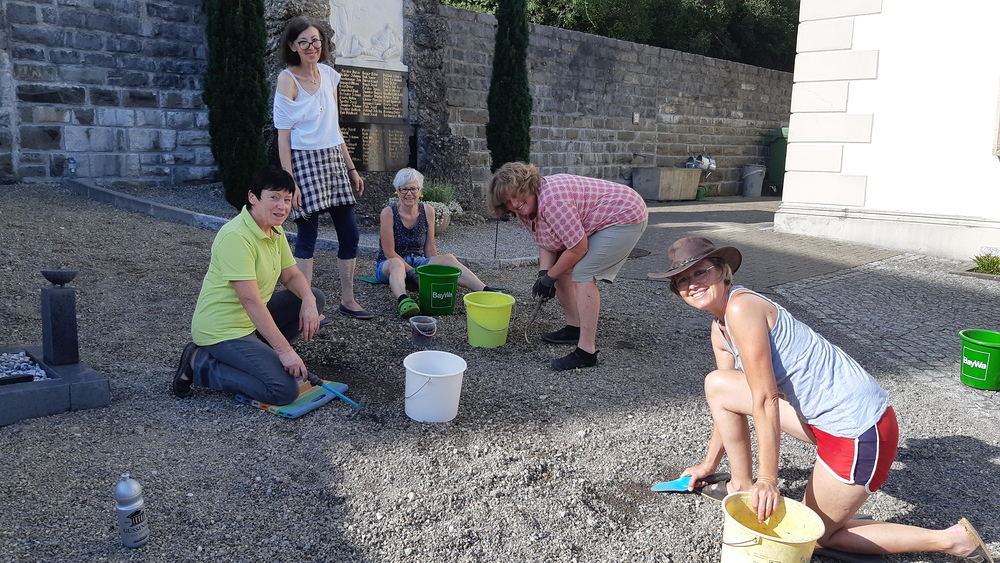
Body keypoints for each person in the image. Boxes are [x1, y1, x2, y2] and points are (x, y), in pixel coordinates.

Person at [650, 235, 994, 561]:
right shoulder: (720, 327)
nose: (692, 283)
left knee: (816, 537)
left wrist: (769, 480)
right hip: (823, 419)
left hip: (860, 431)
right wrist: (709, 465)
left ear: (723, 271)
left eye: (700, 272)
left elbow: (765, 398)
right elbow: (726, 400)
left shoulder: (741, 308)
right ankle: (740, 485)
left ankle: (951, 540)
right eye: (682, 280)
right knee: (718, 384)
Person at [172, 166, 325, 406]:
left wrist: (308, 301)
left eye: (287, 199)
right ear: (253, 197)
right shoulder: (236, 236)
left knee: (314, 295)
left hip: (250, 321)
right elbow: (250, 300)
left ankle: (258, 352)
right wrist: (284, 351)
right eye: (274, 197)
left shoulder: (274, 229)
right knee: (283, 391)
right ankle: (200, 362)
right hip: (222, 330)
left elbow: (291, 275)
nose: (282, 206)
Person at [487, 162, 648, 371]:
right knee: (561, 270)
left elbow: (578, 248)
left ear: (528, 186)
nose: (514, 204)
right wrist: (544, 274)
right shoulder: (526, 210)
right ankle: (574, 328)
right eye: (507, 201)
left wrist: (549, 278)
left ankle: (586, 352)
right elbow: (546, 241)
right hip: (601, 217)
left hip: (624, 213)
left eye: (516, 195)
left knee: (583, 274)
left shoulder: (552, 201)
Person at [273, 15, 373, 320]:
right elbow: (283, 136)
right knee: (308, 236)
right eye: (303, 42)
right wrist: (290, 183)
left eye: (315, 40)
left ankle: (348, 299)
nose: (310, 46)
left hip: (333, 160)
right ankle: (306, 306)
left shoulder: (329, 75)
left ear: (322, 43)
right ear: (293, 46)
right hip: (303, 161)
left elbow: (335, 127)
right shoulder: (287, 80)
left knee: (350, 234)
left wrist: (352, 168)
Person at [377, 168, 505, 318]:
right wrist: (412, 272)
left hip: (418, 261)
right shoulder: (388, 213)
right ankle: (404, 300)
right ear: (397, 192)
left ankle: (485, 290)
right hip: (390, 264)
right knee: (396, 264)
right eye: (404, 189)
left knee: (449, 258)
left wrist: (436, 270)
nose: (409, 193)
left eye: (413, 189)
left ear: (420, 191)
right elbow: (389, 252)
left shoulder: (428, 211)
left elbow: (430, 248)